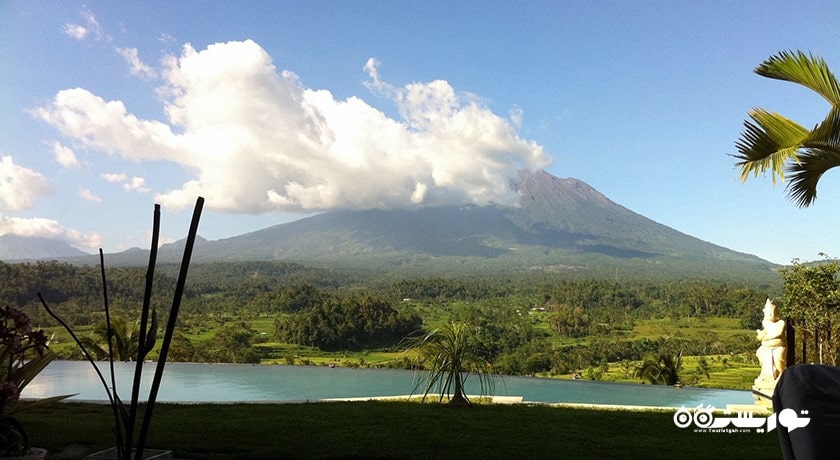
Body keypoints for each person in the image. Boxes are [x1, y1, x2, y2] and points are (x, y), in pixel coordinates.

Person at [755, 298, 786, 384]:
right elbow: (764, 332)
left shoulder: (781, 323)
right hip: (766, 347)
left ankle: (781, 376)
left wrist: (766, 338)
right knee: (760, 353)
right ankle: (767, 376)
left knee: (779, 359)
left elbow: (778, 333)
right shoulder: (765, 322)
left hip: (778, 347)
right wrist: (760, 335)